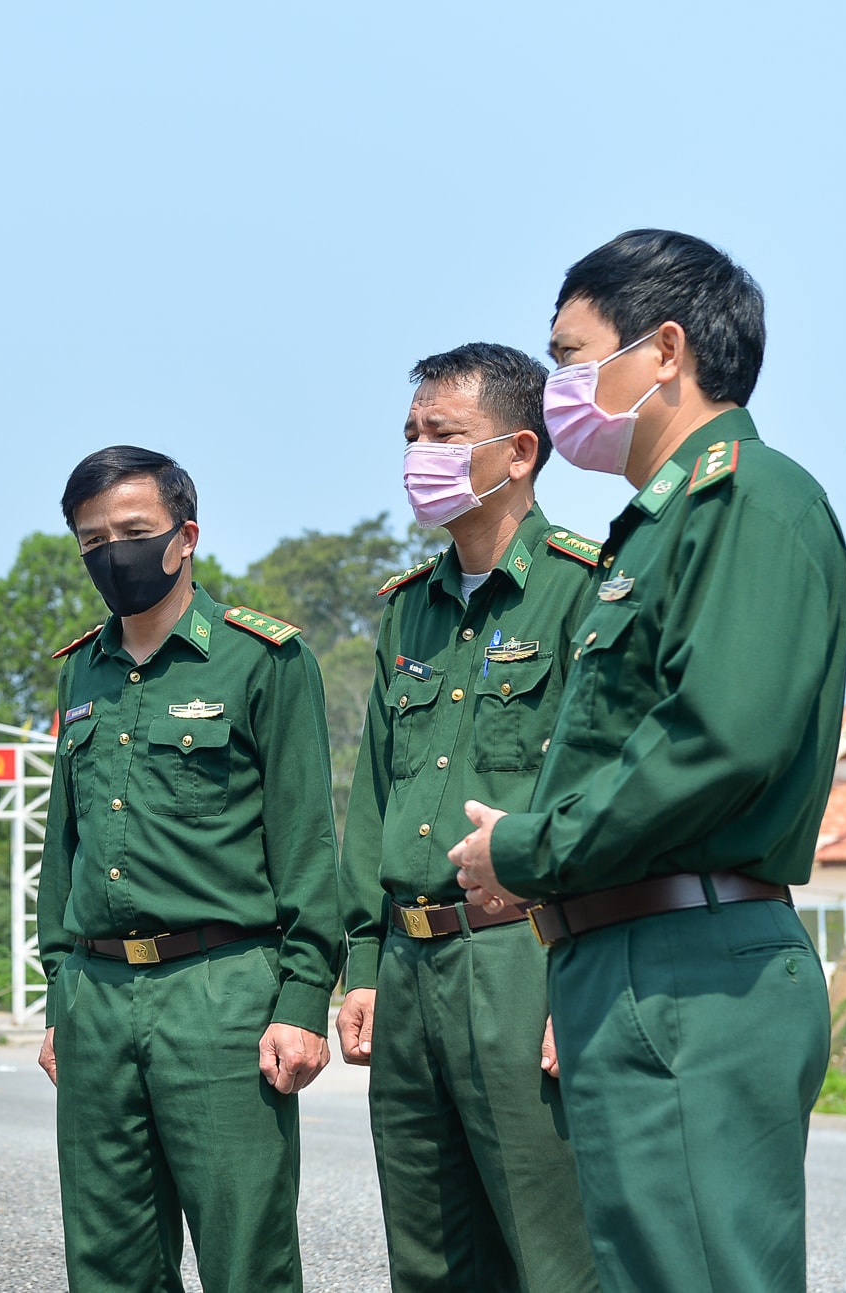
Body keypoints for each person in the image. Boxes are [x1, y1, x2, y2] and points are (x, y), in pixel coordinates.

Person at [446, 231, 846, 1293]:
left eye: (571, 357)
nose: (555, 390)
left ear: (662, 349)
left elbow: (718, 741)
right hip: (632, 964)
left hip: (692, 969)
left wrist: (526, 850)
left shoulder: (749, 499)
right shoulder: (654, 528)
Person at [34, 445, 344, 1293]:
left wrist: (301, 999)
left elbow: (309, 848)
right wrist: (63, 996)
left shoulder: (263, 661)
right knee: (107, 1261)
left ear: (186, 535)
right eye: (92, 539)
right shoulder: (83, 671)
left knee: (245, 1256)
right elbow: (63, 855)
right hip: (97, 1000)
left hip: (222, 994)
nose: (113, 552)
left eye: (134, 530)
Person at [337, 343, 602, 1292]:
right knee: (429, 1258)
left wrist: (585, 982)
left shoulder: (586, 588)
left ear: (520, 449)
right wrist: (362, 962)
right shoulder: (406, 612)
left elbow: (603, 790)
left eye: (442, 434)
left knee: (553, 1252)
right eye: (410, 435)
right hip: (408, 973)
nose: (419, 453)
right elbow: (372, 797)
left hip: (525, 958)